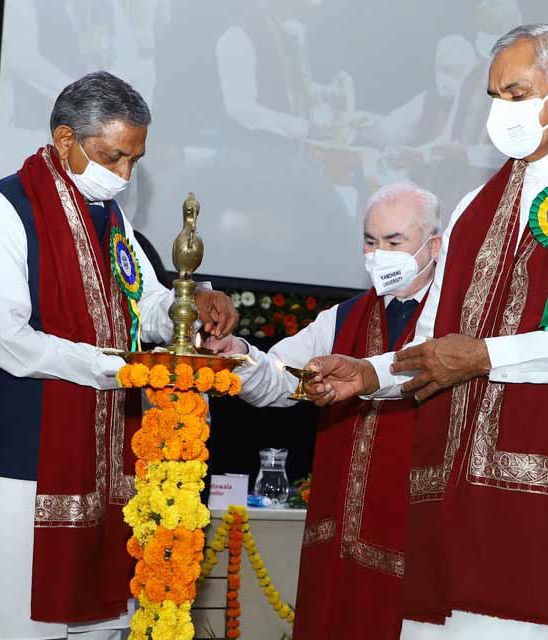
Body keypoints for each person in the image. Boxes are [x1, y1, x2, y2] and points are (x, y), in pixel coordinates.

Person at [306, 24, 548, 639]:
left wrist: (483, 357)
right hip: (456, 494)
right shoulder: (475, 204)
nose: (501, 110)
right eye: (494, 95)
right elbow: (429, 337)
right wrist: (369, 373)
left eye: (516, 92)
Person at [0, 71, 238, 640]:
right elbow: (3, 339)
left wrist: (192, 303)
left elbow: (147, 301)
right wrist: (121, 369)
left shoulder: (110, 216)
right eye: (115, 157)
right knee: (9, 623)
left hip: (105, 460)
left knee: (101, 624)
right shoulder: (3, 208)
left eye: (135, 160)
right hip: (24, 462)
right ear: (64, 140)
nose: (125, 175)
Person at [215, 182, 439, 640]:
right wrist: (238, 354)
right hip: (340, 530)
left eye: (394, 242)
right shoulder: (344, 316)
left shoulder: (462, 318)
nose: (379, 254)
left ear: (433, 245)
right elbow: (281, 376)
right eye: (370, 241)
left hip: (419, 529)